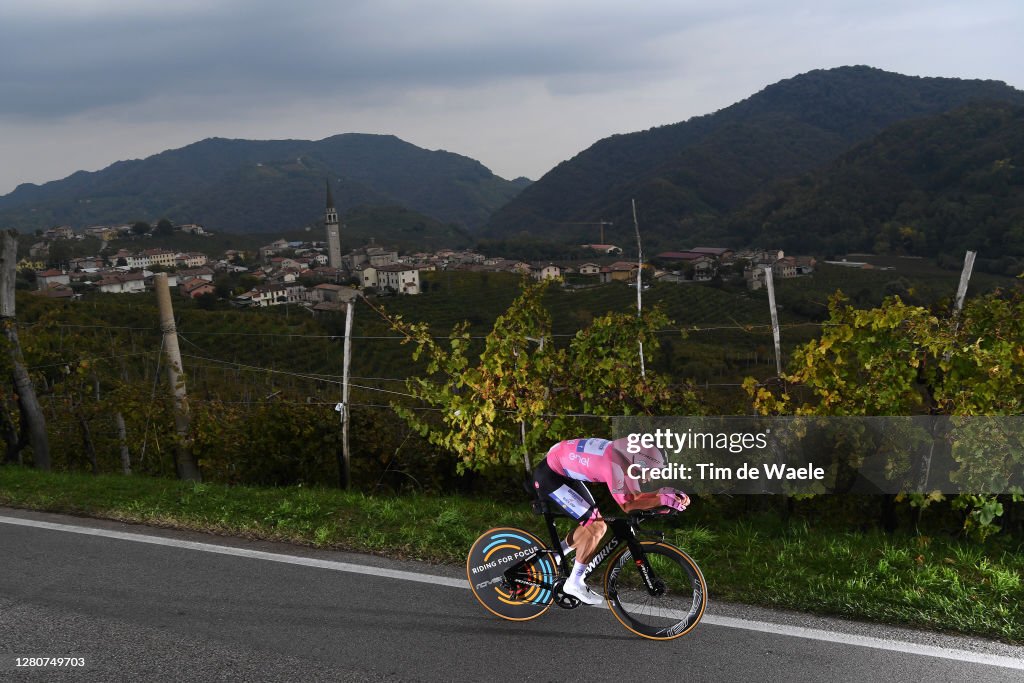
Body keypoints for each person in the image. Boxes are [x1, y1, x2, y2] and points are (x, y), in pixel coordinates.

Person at [532, 437, 689, 606]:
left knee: (592, 521)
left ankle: (555, 556)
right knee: (596, 527)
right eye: (650, 471)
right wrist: (663, 500)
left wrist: (666, 496)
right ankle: (574, 583)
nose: (650, 478)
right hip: (550, 476)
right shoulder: (614, 465)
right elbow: (628, 505)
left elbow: (636, 496)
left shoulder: (626, 457)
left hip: (561, 467)